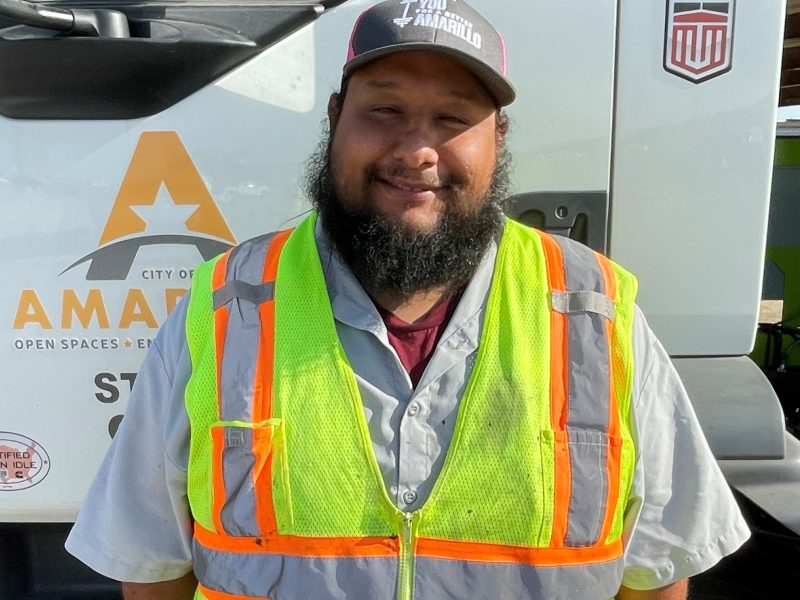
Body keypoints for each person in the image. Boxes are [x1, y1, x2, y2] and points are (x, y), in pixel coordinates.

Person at [65, 1, 751, 598]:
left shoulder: (596, 312)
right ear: (336, 117)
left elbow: (659, 565)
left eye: (453, 118)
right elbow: (150, 560)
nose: (418, 150)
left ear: (498, 139)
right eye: (385, 110)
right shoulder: (227, 306)